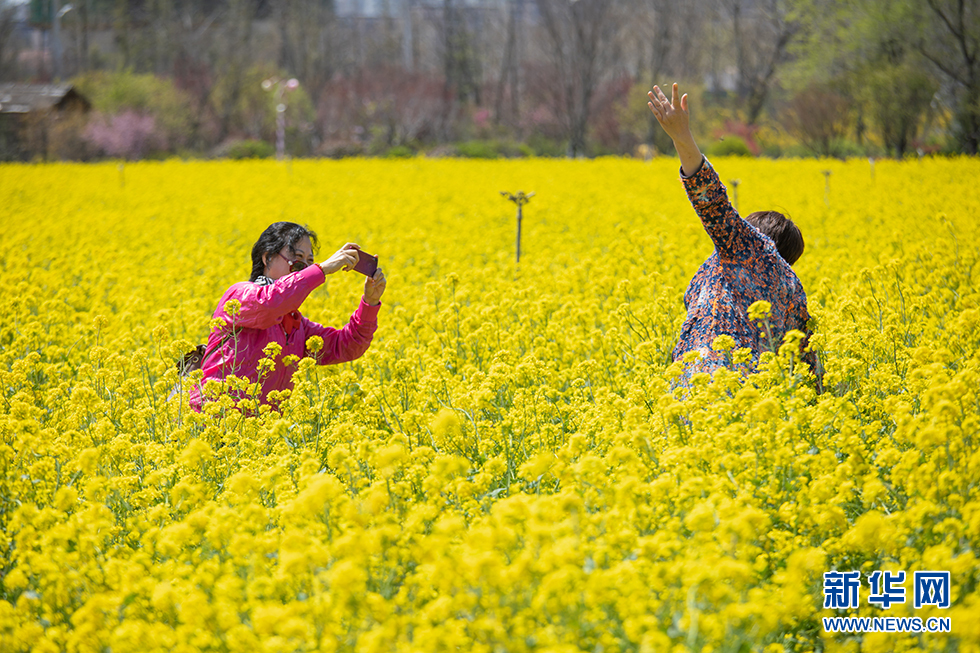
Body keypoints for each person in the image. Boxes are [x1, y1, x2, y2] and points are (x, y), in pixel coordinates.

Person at [647, 83, 822, 390]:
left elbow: (710, 199)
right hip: (747, 402)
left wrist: (681, 136)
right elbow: (809, 371)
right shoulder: (792, 289)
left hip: (703, 389)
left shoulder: (747, 248)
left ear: (757, 236)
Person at [188, 222, 386, 412]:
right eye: (298, 259)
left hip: (261, 430)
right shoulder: (241, 296)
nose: (305, 269)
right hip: (213, 421)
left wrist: (370, 303)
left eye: (310, 262)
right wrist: (322, 269)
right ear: (268, 258)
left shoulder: (296, 326)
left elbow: (346, 345)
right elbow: (270, 303)